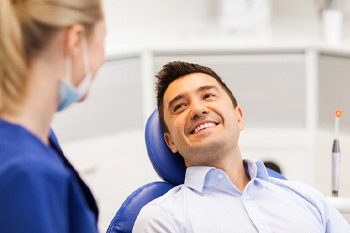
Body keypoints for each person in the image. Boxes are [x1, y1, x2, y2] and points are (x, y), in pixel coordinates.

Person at [133, 61, 350, 232]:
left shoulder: (307, 198)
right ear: (170, 142)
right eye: (180, 106)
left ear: (239, 118)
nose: (198, 109)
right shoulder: (161, 219)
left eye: (208, 95)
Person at [0, 0, 105, 232]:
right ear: (75, 41)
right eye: (102, 40)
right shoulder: (26, 172)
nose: (103, 58)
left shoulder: (36, 141)